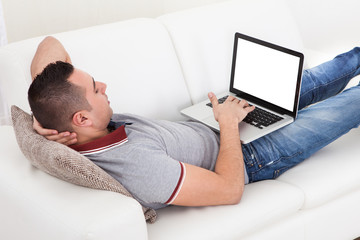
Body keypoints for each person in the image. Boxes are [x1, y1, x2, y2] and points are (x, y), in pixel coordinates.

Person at [29, 36, 360, 210]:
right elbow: (229, 191)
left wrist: (37, 122)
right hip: (250, 157)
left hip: (217, 124)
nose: (104, 87)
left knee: (326, 72)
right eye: (95, 89)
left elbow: (50, 45)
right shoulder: (138, 167)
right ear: (82, 118)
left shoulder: (76, 124)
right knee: (350, 104)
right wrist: (229, 124)